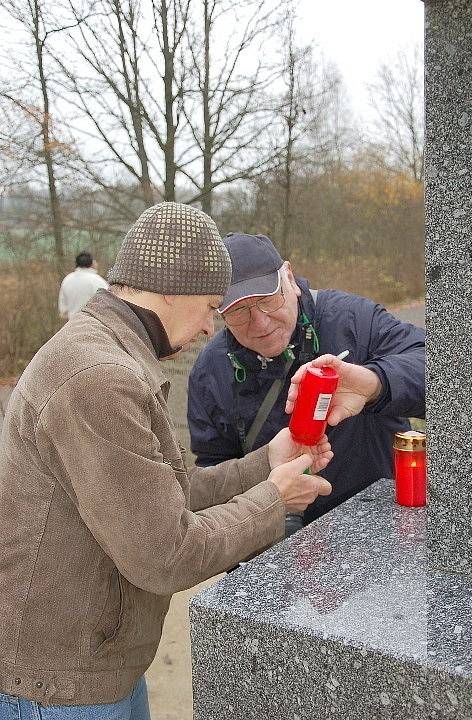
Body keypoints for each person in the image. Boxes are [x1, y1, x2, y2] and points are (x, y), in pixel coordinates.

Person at [0, 204, 333, 719]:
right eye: (209, 307)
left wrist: (269, 458)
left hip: (100, 660)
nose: (208, 328)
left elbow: (162, 498)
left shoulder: (112, 351)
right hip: (61, 682)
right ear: (170, 289)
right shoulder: (99, 376)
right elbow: (166, 553)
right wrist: (275, 498)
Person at [188, 232, 425, 529]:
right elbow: (214, 469)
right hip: (277, 545)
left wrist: (375, 383)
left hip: (380, 524)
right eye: (237, 312)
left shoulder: (352, 320)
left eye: (267, 300)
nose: (260, 323)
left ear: (289, 277)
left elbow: (444, 375)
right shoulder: (210, 368)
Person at [58, 251, 108, 319]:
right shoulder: (98, 281)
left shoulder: (67, 280)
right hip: (94, 325)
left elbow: (63, 309)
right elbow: (108, 306)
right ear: (92, 263)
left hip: (72, 324)